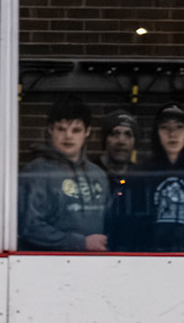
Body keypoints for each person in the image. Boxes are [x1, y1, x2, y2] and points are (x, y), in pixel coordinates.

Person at [18, 96, 109, 252]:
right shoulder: (35, 173)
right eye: (61, 129)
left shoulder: (98, 174)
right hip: (49, 264)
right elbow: (29, 227)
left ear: (87, 132)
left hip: (95, 264)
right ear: (50, 130)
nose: (68, 136)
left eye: (76, 130)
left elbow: (110, 221)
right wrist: (80, 243)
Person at [142, 103, 184, 252]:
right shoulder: (142, 174)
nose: (172, 134)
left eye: (179, 127)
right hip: (150, 261)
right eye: (165, 127)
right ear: (157, 132)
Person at [99, 109, 149, 253]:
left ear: (135, 142)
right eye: (115, 133)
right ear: (105, 139)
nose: (121, 141)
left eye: (128, 134)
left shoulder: (142, 179)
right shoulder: (90, 174)